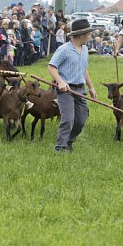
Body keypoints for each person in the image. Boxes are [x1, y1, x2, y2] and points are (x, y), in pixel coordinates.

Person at [47, 19, 98, 152]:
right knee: (68, 119)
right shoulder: (63, 49)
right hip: (66, 90)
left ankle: (68, 142)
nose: (90, 36)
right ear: (81, 35)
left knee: (81, 119)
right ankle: (60, 147)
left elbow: (84, 69)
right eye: (88, 34)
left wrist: (91, 87)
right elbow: (51, 67)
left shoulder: (85, 49)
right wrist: (60, 82)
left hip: (80, 89)